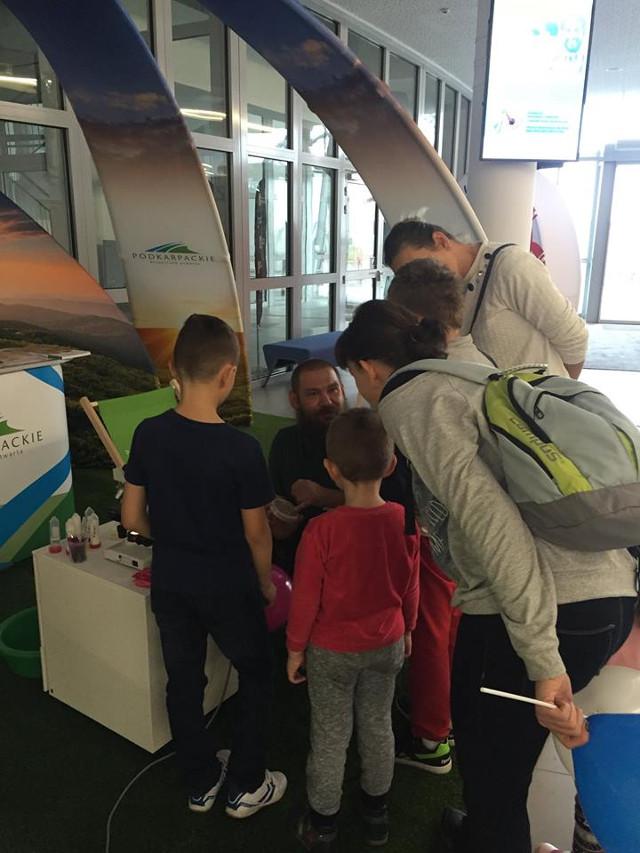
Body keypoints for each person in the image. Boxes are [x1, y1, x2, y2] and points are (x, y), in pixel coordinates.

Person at [334, 299, 636, 853]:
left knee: (495, 783)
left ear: (367, 368)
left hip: (539, 608)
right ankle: (478, 833)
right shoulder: (464, 371)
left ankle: (487, 833)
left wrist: (542, 658)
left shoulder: (408, 397)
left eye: (353, 377)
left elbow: (492, 525)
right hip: (606, 592)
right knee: (496, 755)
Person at [121, 314, 287, 819]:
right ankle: (246, 784)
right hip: (229, 585)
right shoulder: (242, 449)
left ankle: (200, 781)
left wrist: (173, 537)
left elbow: (131, 518)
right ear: (228, 374)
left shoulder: (149, 433)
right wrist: (264, 581)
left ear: (174, 368)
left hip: (172, 581)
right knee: (256, 673)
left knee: (183, 680)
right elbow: (257, 533)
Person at [286, 408, 420, 851]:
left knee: (330, 734)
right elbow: (411, 586)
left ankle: (323, 823)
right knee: (378, 723)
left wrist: (295, 649)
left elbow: (305, 598)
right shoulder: (404, 520)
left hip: (332, 651)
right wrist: (409, 628)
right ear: (391, 464)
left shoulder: (321, 530)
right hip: (388, 642)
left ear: (331, 469)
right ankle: (376, 812)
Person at [389, 260, 492, 774]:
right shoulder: (482, 362)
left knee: (431, 628)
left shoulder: (434, 381)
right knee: (455, 627)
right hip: (481, 538)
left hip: (445, 531)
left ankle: (432, 737)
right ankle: (450, 718)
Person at [383, 219, 589, 378]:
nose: (419, 275)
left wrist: (555, 397)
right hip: (495, 412)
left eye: (420, 264)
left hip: (536, 410)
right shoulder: (435, 294)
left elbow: (574, 339)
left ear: (441, 240)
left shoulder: (511, 265)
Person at [268, 359, 345, 573]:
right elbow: (277, 502)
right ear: (295, 400)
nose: (327, 401)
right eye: (313, 394)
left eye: (333, 390)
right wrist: (281, 524)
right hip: (302, 558)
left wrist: (325, 496)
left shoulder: (363, 438)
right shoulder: (285, 442)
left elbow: (387, 503)